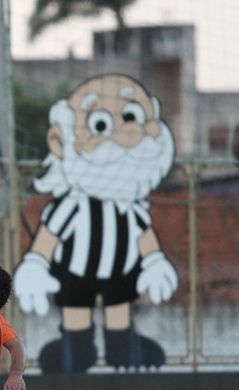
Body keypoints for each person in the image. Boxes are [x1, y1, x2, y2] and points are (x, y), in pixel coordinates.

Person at [12, 74, 178, 372]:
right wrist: (35, 265)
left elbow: (145, 237)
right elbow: (47, 239)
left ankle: (124, 351)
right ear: (59, 141)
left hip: (121, 272)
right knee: (76, 312)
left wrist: (155, 263)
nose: (119, 135)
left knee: (119, 312)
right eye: (100, 124)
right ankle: (74, 353)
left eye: (131, 117)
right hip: (76, 272)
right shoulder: (70, 206)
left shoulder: (131, 206)